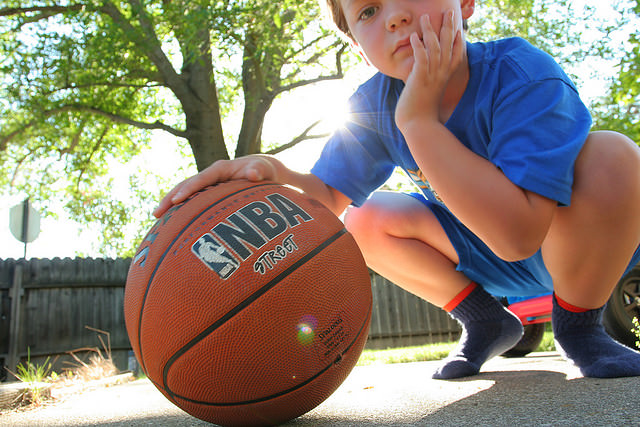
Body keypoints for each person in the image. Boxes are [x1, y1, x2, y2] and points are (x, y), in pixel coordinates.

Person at [154, 0, 640, 379]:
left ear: (466, 4)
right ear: (358, 45)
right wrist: (271, 173)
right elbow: (323, 200)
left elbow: (519, 234)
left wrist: (418, 123)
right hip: (480, 254)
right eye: (368, 11)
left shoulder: (520, 73)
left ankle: (580, 327)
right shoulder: (372, 105)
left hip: (568, 244)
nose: (395, 15)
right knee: (361, 220)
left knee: (612, 158)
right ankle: (486, 319)